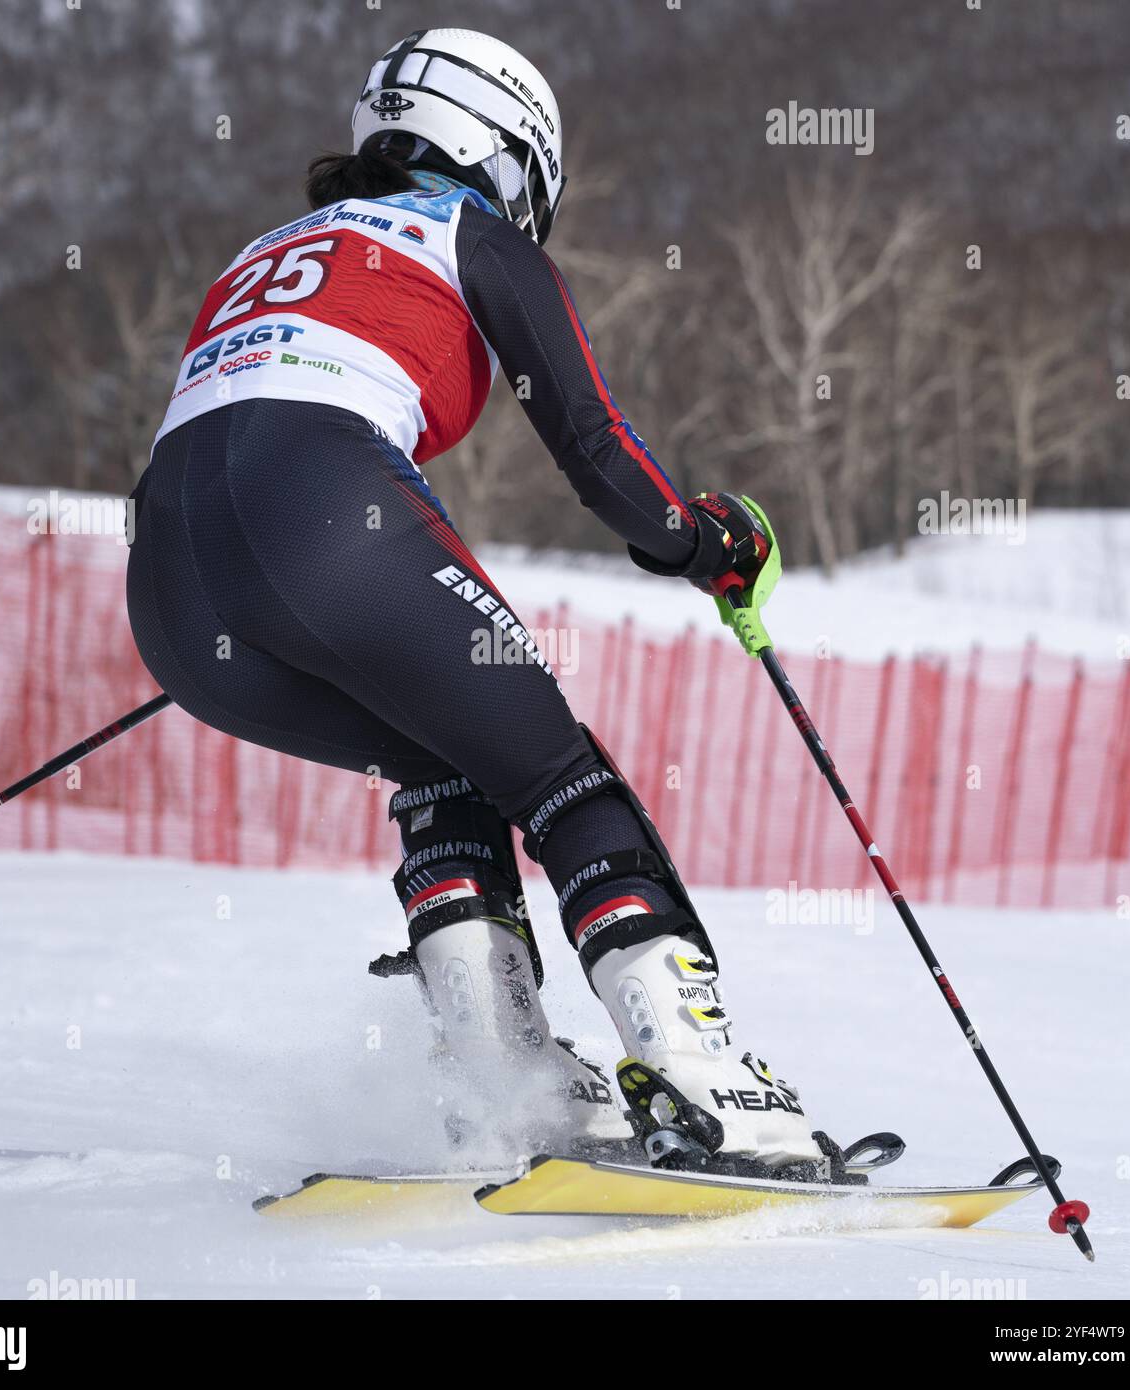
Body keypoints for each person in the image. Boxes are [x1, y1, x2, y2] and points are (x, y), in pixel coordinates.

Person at [127, 27, 832, 1175]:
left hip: (171, 585)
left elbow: (226, 438)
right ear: (503, 151)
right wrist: (707, 541)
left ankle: (506, 1084)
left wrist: (253, 591)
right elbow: (600, 451)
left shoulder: (257, 254)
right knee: (559, 777)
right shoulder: (467, 232)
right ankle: (709, 1088)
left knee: (442, 765)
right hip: (317, 516)